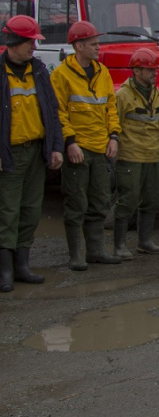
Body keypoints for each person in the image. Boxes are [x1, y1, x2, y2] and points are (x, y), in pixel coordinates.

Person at [50, 21, 121, 271]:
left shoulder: (102, 71)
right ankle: (75, 255)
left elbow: (110, 106)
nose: (98, 48)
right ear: (78, 46)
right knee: (76, 202)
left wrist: (113, 136)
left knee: (100, 200)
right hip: (78, 149)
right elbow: (58, 112)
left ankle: (96, 251)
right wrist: (70, 142)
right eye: (93, 44)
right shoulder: (61, 75)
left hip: (101, 148)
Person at [0, 16, 63, 291]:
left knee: (30, 210)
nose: (33, 48)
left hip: (36, 152)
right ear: (13, 42)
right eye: (30, 42)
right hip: (9, 155)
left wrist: (56, 147)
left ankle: (22, 265)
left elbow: (51, 111)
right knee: (7, 212)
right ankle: (5, 270)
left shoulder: (38, 70)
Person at [112, 48, 159, 259]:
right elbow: (114, 124)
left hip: (153, 155)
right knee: (128, 200)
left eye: (154, 69)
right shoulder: (123, 95)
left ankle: (145, 242)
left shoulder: (155, 93)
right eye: (149, 70)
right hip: (130, 156)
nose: (155, 73)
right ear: (136, 70)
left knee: (152, 199)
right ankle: (119, 245)